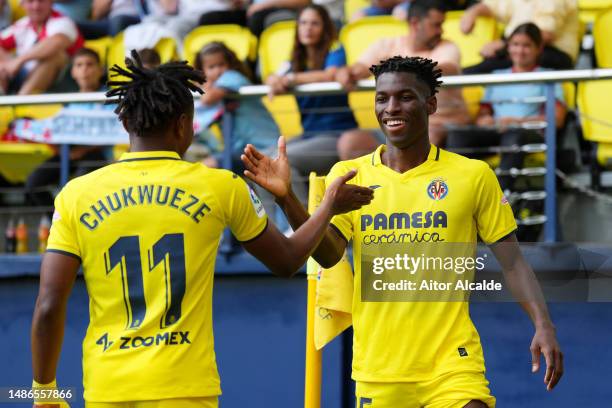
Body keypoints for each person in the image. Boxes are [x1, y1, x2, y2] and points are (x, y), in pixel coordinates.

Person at [30, 50, 373, 407]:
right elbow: (287, 261)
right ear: (182, 125)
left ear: (126, 123)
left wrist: (43, 391)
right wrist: (325, 205)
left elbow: (50, 304)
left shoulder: (75, 195)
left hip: (107, 388)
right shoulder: (219, 185)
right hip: (187, 389)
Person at [242, 56, 563, 407]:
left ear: (431, 103)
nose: (391, 107)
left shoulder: (473, 175)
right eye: (382, 98)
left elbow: (513, 263)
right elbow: (328, 254)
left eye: (405, 97)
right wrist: (288, 197)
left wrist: (543, 323)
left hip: (452, 364)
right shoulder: (348, 174)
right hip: (380, 370)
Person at [335, 0, 470, 150]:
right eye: (436, 25)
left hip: (439, 125)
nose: (441, 31)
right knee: (350, 142)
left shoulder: (448, 46)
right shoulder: (386, 45)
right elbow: (359, 69)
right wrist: (346, 73)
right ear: (415, 23)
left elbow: (447, 68)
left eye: (441, 24)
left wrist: (395, 69)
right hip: (395, 126)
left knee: (424, 136)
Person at [449, 23, 566, 192]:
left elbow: (557, 119)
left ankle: (502, 196)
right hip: (498, 130)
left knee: (513, 136)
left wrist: (516, 122)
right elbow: (484, 111)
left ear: (539, 48)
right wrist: (485, 120)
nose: (520, 51)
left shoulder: (548, 76)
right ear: (508, 47)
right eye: (515, 45)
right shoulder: (497, 76)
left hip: (527, 134)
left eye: (526, 45)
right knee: (458, 136)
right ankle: (460, 193)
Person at [265, 4, 358, 203]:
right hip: (309, 135)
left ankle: (302, 225)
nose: (308, 28)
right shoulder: (296, 59)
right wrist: (274, 80)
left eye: (315, 23)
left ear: (324, 28)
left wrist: (291, 79)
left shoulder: (335, 48)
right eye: (303, 23)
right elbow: (275, 76)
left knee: (285, 164)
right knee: (262, 164)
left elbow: (330, 74)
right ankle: (275, 228)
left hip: (337, 134)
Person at [24, 47, 110, 207]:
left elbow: (112, 130)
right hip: (68, 153)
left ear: (100, 70)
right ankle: (57, 223)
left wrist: (81, 151)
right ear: (73, 72)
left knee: (79, 187)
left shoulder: (110, 97)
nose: (84, 70)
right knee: (33, 183)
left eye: (89, 64)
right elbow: (55, 131)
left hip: (97, 155)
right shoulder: (69, 101)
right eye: (79, 65)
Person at [195, 41, 278, 168]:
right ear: (203, 70)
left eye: (221, 64)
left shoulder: (232, 77)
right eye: (211, 67)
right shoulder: (218, 84)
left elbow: (207, 99)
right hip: (241, 150)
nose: (218, 71)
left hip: (266, 147)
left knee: (207, 166)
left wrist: (204, 84)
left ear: (230, 64)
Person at [460, 0, 579, 73]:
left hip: (551, 54)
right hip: (520, 47)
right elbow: (492, 6)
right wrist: (472, 13)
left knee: (475, 72)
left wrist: (503, 44)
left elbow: (545, 35)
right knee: (477, 69)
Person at [0, 0, 84, 95]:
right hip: (23, 76)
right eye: (30, 1)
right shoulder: (22, 25)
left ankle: (21, 101)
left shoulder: (63, 21)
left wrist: (19, 61)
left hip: (65, 83)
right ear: (23, 5)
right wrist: (7, 63)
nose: (36, 6)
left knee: (55, 56)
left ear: (51, 3)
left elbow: (56, 43)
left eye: (41, 1)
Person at [77, 0, 142, 40]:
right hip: (108, 22)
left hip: (133, 16)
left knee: (118, 21)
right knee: (76, 26)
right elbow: (96, 17)